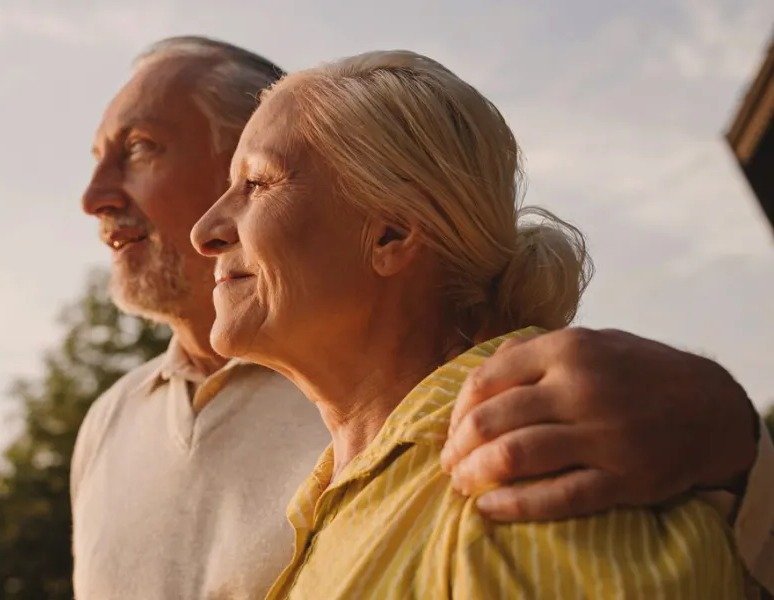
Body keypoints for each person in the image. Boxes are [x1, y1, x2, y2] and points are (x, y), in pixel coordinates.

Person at [73, 36, 774, 599]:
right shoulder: (110, 430)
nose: (207, 231)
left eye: (253, 181)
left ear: (391, 234)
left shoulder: (523, 451)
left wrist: (739, 443)